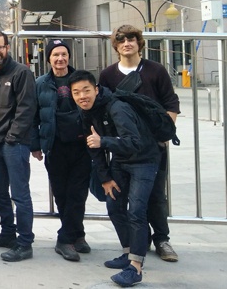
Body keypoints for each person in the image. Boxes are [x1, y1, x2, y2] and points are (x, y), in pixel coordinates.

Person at [70, 70, 160, 287]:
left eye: (86, 90)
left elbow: (134, 142)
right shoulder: (85, 112)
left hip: (144, 160)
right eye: (76, 92)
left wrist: (105, 142)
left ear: (96, 90)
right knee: (114, 206)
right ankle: (129, 252)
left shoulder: (117, 108)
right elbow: (93, 147)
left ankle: (136, 267)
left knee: (136, 211)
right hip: (120, 161)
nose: (82, 96)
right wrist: (105, 178)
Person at [98, 24, 180, 262]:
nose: (127, 43)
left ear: (139, 42)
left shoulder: (155, 71)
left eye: (132, 39)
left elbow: (171, 104)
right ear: (116, 45)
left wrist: (163, 134)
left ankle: (162, 239)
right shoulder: (108, 75)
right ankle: (135, 244)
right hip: (123, 148)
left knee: (156, 195)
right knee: (120, 200)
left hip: (153, 147)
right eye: (121, 40)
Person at [0, 30, 37, 262]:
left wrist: (12, 138)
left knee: (20, 194)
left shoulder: (21, 72)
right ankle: (7, 233)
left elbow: (26, 109)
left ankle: (24, 243)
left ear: (7, 47)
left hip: (14, 143)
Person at [32, 39, 91, 261]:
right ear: (49, 58)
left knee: (78, 193)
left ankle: (66, 239)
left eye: (64, 54)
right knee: (62, 194)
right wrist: (35, 145)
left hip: (81, 145)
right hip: (54, 146)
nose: (60, 59)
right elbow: (34, 115)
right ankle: (76, 234)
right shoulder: (40, 83)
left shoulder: (81, 79)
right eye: (55, 54)